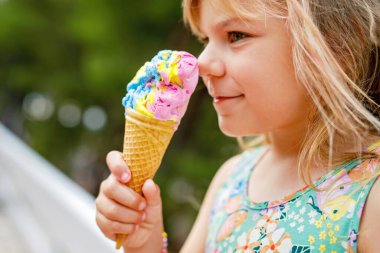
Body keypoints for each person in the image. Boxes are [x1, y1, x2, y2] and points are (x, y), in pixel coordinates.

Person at [95, 0, 380, 252]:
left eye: (236, 36)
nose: (202, 62)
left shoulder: (371, 193)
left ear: (334, 46)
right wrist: (144, 242)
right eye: (205, 39)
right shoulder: (231, 179)